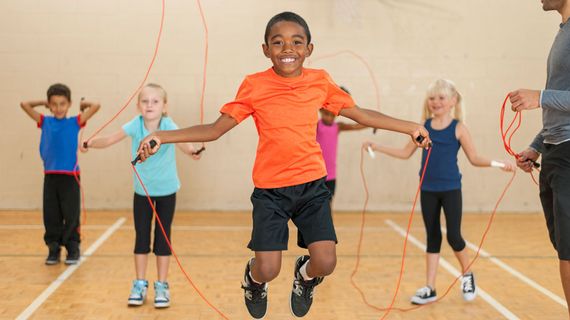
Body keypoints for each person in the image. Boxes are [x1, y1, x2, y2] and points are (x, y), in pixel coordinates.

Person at [135, 12, 431, 319]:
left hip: (312, 187)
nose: (287, 48)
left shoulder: (320, 81)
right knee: (268, 268)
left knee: (326, 262)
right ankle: (252, 281)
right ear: (265, 49)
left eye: (296, 42)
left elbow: (360, 114)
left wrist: (409, 126)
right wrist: (162, 136)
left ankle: (304, 275)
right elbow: (215, 129)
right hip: (271, 191)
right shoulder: (254, 85)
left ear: (309, 48)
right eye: (278, 42)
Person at [364, 79, 514, 305]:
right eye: (432, 98)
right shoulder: (423, 127)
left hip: (451, 189)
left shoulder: (459, 128)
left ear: (453, 101)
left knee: (454, 236)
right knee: (432, 237)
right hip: (427, 190)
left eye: (441, 98)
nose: (436, 102)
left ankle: (467, 274)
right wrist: (379, 147)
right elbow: (406, 153)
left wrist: (499, 163)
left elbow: (474, 158)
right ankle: (430, 288)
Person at [82, 83, 201, 308]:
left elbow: (182, 141)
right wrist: (89, 143)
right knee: (142, 238)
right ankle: (139, 283)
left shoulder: (167, 125)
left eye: (155, 101)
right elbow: (109, 139)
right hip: (142, 193)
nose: (149, 105)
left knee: (163, 240)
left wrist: (193, 151)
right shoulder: (135, 126)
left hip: (167, 192)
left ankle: (162, 286)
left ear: (164, 106)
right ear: (138, 106)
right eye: (145, 101)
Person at [509, 0, 570, 313]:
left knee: (569, 251)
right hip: (555, 151)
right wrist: (537, 144)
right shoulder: (563, 33)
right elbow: (558, 106)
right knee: (563, 245)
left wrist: (540, 96)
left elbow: (549, 98)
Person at [20, 83, 100, 265]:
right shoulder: (45, 121)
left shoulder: (75, 122)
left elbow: (96, 106)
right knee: (51, 214)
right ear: (49, 104)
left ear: (69, 104)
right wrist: (43, 102)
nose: (58, 108)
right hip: (50, 176)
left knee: (71, 214)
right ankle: (53, 248)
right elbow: (24, 104)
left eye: (62, 104)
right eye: (54, 104)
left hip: (70, 177)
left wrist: (84, 104)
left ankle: (72, 248)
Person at [317, 86, 366, 198]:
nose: (329, 118)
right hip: (317, 174)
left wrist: (373, 123)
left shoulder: (338, 127)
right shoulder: (316, 126)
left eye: (332, 115)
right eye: (326, 114)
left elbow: (356, 126)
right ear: (321, 110)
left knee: (329, 201)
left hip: (331, 174)